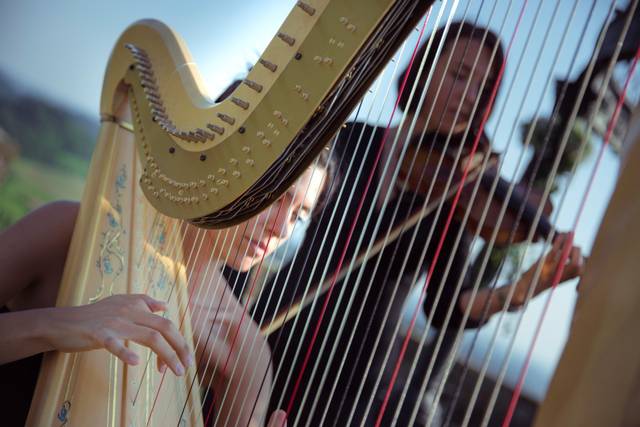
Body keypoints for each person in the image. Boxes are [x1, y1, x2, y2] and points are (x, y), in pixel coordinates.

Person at [252, 21, 585, 426]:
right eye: (459, 75)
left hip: (345, 380)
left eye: (482, 89)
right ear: (425, 68)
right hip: (273, 326)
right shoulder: (350, 138)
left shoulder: (454, 193)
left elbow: (446, 307)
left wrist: (523, 288)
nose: (468, 95)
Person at [0, 134, 333, 426]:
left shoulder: (241, 347)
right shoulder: (70, 231)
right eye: (276, 198)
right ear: (224, 168)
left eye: (298, 215)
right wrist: (60, 326)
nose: (282, 229)